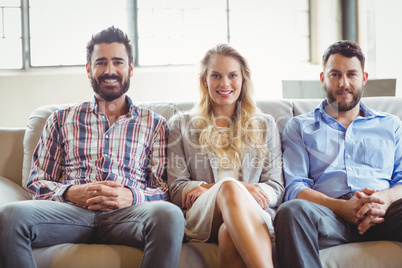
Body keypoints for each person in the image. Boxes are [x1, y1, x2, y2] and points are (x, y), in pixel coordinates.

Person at [0, 26, 185, 268]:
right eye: (101, 63)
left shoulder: (155, 124)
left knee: (170, 215)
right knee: (10, 216)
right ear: (89, 69)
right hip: (70, 213)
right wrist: (71, 193)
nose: (110, 71)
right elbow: (37, 181)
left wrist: (130, 195)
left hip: (129, 215)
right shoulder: (60, 119)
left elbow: (163, 188)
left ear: (130, 68)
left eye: (118, 62)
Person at [274, 40, 402, 268]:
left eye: (352, 74)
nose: (344, 83)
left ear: (364, 78)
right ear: (323, 78)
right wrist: (341, 207)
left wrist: (384, 200)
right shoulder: (300, 127)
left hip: (383, 214)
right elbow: (295, 187)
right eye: (335, 74)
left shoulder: (391, 124)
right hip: (329, 217)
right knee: (290, 211)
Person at [167, 44, 284, 267]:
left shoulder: (266, 125)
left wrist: (243, 191)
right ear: (205, 80)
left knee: (228, 233)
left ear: (242, 80)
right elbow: (176, 188)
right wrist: (232, 187)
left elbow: (276, 186)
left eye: (232, 75)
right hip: (202, 216)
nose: (225, 84)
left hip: (253, 212)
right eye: (216, 76)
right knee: (229, 187)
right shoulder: (180, 126)